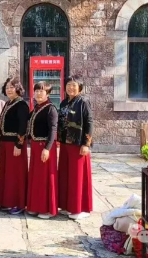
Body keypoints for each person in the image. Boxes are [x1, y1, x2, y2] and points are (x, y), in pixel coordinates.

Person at [57, 74, 94, 220]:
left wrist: (86, 143)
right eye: (68, 85)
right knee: (65, 175)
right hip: (65, 144)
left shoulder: (83, 101)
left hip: (78, 145)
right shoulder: (64, 102)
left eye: (74, 85)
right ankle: (67, 206)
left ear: (80, 87)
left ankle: (80, 208)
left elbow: (89, 122)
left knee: (77, 177)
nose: (71, 88)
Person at [0, 77, 30, 215]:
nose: (9, 89)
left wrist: (19, 144)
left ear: (18, 88)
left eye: (12, 87)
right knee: (6, 174)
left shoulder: (21, 105)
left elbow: (23, 126)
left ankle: (18, 203)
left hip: (14, 144)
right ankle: (7, 201)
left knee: (16, 175)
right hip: (5, 143)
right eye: (7, 87)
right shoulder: (8, 103)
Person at [26, 81, 58, 219]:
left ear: (47, 93)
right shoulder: (37, 108)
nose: (38, 93)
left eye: (41, 91)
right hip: (35, 147)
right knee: (36, 178)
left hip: (45, 147)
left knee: (45, 178)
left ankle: (46, 209)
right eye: (36, 91)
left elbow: (53, 130)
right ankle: (35, 206)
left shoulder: (51, 109)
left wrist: (47, 148)